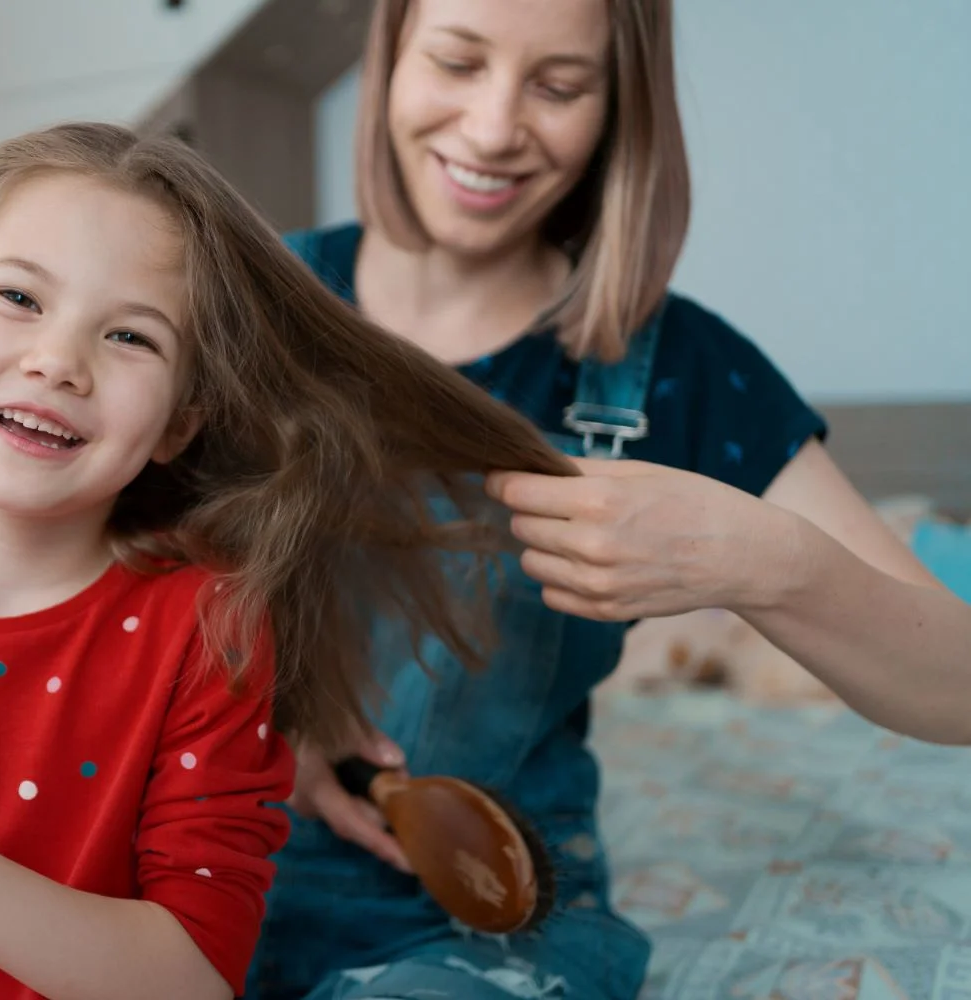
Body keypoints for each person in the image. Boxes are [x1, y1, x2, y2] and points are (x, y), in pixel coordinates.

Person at [0, 122, 572, 1000]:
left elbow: (193, 980)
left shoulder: (206, 631)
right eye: (19, 298)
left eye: (131, 337)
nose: (59, 362)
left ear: (181, 422)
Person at [244, 1, 971, 998]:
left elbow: (958, 689)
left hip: (490, 928)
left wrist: (761, 557)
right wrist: (269, 721)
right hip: (198, 869)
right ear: (391, 56)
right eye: (458, 61)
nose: (497, 127)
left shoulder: (678, 368)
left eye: (559, 85)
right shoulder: (240, 306)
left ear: (618, 107)